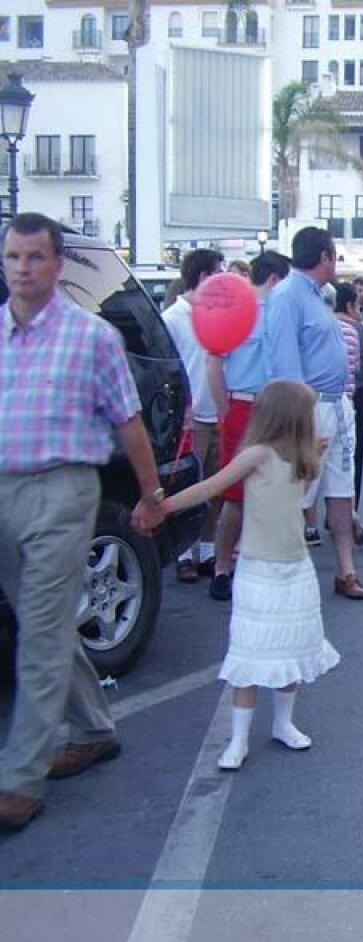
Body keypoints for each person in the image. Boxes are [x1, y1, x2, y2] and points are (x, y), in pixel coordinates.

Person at [0, 213, 165, 832]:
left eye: (36, 258)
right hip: (4, 489)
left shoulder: (91, 336)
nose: (23, 269)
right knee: (35, 621)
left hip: (63, 493)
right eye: (14, 257)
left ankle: (20, 778)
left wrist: (150, 494)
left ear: (57, 264)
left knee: (40, 633)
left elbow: (128, 422)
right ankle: (94, 727)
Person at [145, 380, 340, 770]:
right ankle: (237, 739)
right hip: (258, 569)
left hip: (295, 568)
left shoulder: (303, 457)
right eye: (307, 414)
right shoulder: (257, 455)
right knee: (249, 654)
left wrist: (318, 451)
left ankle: (283, 723)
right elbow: (210, 487)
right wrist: (163, 505)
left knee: (291, 648)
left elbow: (302, 495)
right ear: (290, 418)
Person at [263, 226, 363, 600]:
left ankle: (346, 570)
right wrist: (301, 420)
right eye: (334, 255)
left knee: (341, 489)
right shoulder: (287, 297)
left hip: (337, 403)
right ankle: (283, 577)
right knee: (297, 492)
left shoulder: (316, 295)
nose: (336, 262)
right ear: (324, 257)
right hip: (312, 407)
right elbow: (286, 364)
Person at [206, 251, 291, 602]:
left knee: (274, 490)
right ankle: (222, 568)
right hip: (243, 403)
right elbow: (213, 361)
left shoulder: (281, 314)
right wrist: (224, 409)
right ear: (273, 279)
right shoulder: (237, 312)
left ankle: (260, 564)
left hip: (275, 405)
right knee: (236, 494)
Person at [164, 248, 225, 584]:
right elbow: (170, 369)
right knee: (189, 484)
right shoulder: (174, 318)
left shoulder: (214, 314)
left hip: (217, 411)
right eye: (218, 274)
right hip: (190, 416)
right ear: (203, 277)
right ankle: (184, 553)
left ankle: (208, 548)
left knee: (215, 485)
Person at [334, 282, 363, 544]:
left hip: (319, 399)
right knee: (351, 459)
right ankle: (349, 512)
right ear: (352, 305)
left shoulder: (325, 327)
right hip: (356, 395)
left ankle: (311, 522)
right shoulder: (360, 329)